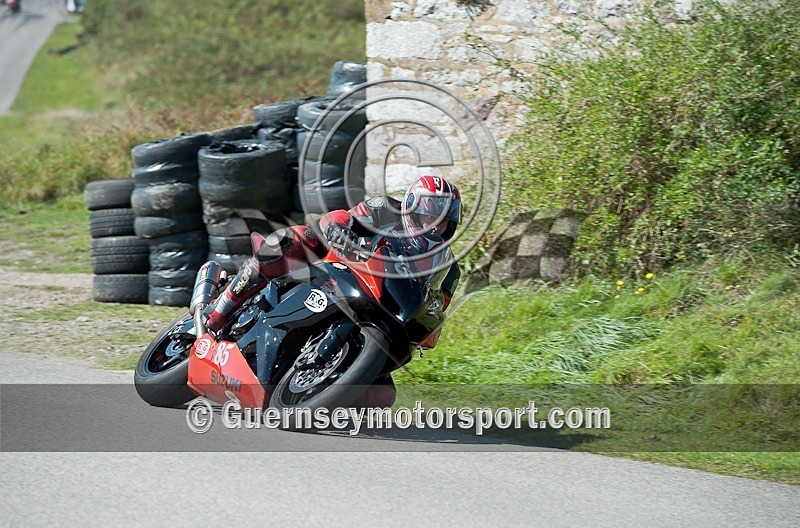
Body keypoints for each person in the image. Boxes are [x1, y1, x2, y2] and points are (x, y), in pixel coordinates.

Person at [203, 175, 464, 406]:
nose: (433, 226)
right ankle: (221, 309)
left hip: (383, 307)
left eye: (441, 222)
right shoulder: (386, 210)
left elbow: (436, 305)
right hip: (338, 267)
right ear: (410, 209)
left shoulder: (448, 269)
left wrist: (427, 325)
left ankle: (319, 391)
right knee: (296, 239)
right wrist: (339, 231)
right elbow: (342, 217)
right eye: (428, 216)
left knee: (382, 398)